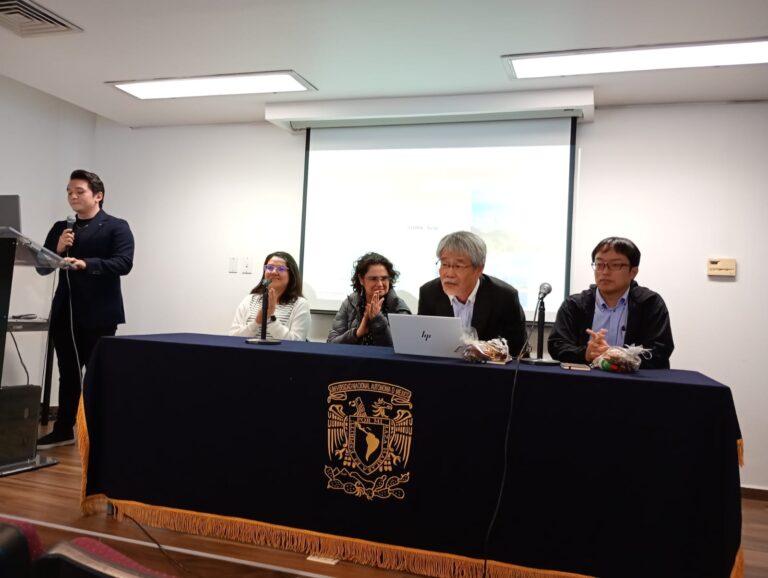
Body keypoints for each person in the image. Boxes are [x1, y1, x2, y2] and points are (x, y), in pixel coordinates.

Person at [37, 170, 135, 449]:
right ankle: (64, 429)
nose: (72, 196)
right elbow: (42, 266)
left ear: (98, 195)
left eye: (79, 191)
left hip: (99, 314)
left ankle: (98, 431)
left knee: (98, 373)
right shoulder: (61, 227)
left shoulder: (116, 226)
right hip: (64, 312)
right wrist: (56, 248)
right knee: (67, 374)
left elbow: (123, 263)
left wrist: (87, 264)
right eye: (69, 191)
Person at [548, 236, 674, 369]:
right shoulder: (574, 304)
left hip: (635, 383)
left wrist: (618, 357)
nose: (605, 272)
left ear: (633, 272)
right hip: (585, 382)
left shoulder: (650, 303)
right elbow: (557, 345)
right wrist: (585, 353)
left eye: (615, 265)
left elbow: (660, 350)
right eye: (599, 264)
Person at [417, 231, 528, 355]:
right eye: (445, 264)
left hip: (488, 370)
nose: (449, 273)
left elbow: (518, 350)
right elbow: (423, 341)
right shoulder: (429, 293)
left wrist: (485, 350)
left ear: (479, 269)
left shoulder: (504, 297)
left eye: (458, 266)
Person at [327, 252, 411, 345]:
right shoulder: (351, 302)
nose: (379, 284)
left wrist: (378, 320)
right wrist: (357, 333)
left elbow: (403, 348)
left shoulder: (399, 307)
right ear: (361, 279)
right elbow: (331, 343)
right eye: (373, 279)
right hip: (353, 358)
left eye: (384, 278)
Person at [229, 251, 310, 340]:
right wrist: (257, 322)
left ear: (291, 275)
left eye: (281, 268)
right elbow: (233, 337)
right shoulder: (249, 300)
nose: (274, 272)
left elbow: (297, 342)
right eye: (270, 267)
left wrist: (270, 318)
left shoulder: (300, 304)